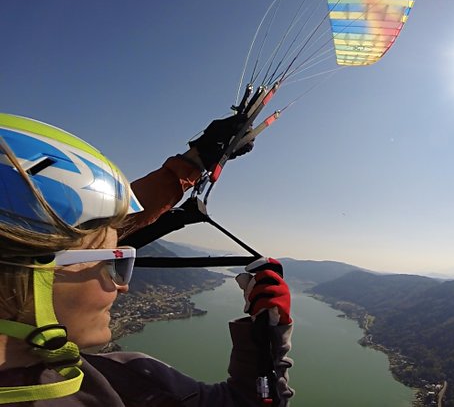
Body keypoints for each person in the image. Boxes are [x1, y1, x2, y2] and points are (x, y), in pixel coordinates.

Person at [0, 112, 294, 406]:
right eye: (113, 261)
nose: (124, 285)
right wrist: (267, 339)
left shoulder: (119, 380)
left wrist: (193, 164)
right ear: (24, 272)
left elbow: (115, 228)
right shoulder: (124, 383)